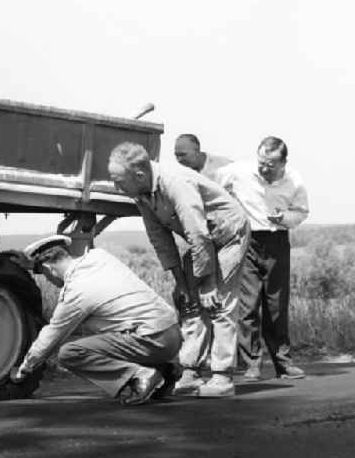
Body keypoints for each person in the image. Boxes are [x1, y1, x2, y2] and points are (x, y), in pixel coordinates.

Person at [108, 142, 249, 398]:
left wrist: (207, 283)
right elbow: (160, 240)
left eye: (120, 182)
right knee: (188, 303)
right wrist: (182, 284)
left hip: (227, 233)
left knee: (218, 302)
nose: (117, 188)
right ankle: (191, 371)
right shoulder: (141, 193)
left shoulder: (175, 183)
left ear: (139, 175)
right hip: (203, 240)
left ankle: (223, 376)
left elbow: (197, 232)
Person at [10, 235, 182, 406]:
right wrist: (33, 265)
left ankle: (140, 375)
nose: (48, 280)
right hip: (172, 335)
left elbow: (52, 335)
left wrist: (25, 369)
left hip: (151, 340)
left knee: (70, 353)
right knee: (107, 330)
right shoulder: (99, 257)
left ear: (47, 266)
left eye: (45, 275)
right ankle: (166, 370)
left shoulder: (77, 291)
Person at [218, 136, 309, 381]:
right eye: (261, 161)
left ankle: (283, 364)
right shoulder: (238, 172)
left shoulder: (295, 181)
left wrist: (285, 218)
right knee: (247, 307)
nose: (264, 167)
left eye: (270, 164)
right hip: (247, 241)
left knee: (276, 307)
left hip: (277, 241)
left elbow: (301, 212)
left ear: (283, 163)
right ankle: (250, 366)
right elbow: (212, 181)